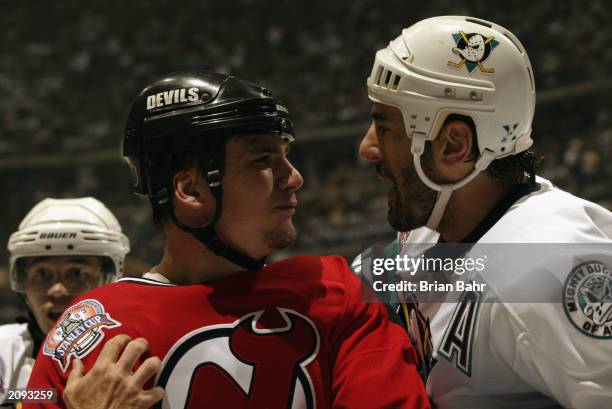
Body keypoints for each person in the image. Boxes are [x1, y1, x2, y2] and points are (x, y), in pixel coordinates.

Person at [26, 71, 430, 409]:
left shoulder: (336, 289)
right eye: (262, 160)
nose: (294, 178)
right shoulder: (82, 327)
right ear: (192, 190)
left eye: (284, 156)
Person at [355, 16, 612, 409]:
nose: (367, 148)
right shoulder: (429, 231)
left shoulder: (551, 268)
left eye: (384, 126)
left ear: (453, 146)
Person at [0, 197, 130, 407]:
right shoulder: (3, 352)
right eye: (42, 274)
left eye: (76, 273)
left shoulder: (135, 356)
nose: (57, 290)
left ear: (109, 280)